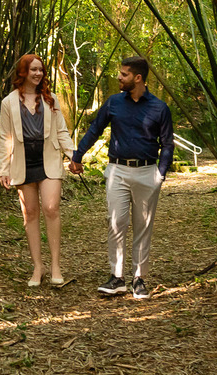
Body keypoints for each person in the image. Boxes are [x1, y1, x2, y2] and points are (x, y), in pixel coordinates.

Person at [69, 56, 173, 299]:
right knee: (116, 223)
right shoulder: (114, 103)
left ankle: (139, 279)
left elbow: (167, 144)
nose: (118, 77)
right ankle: (117, 277)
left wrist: (161, 173)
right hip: (117, 170)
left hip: (148, 172)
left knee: (142, 227)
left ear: (138, 78)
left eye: (124, 74)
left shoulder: (159, 108)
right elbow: (95, 129)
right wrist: (78, 155)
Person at [0, 54, 75, 287]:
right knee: (30, 213)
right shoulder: (8, 102)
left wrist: (74, 155)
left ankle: (55, 265)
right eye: (33, 69)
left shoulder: (50, 99)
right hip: (23, 162)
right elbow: (5, 137)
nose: (38, 73)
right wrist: (3, 168)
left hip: (48, 159)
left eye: (41, 70)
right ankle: (38, 267)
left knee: (51, 208)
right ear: (23, 72)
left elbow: (61, 131)